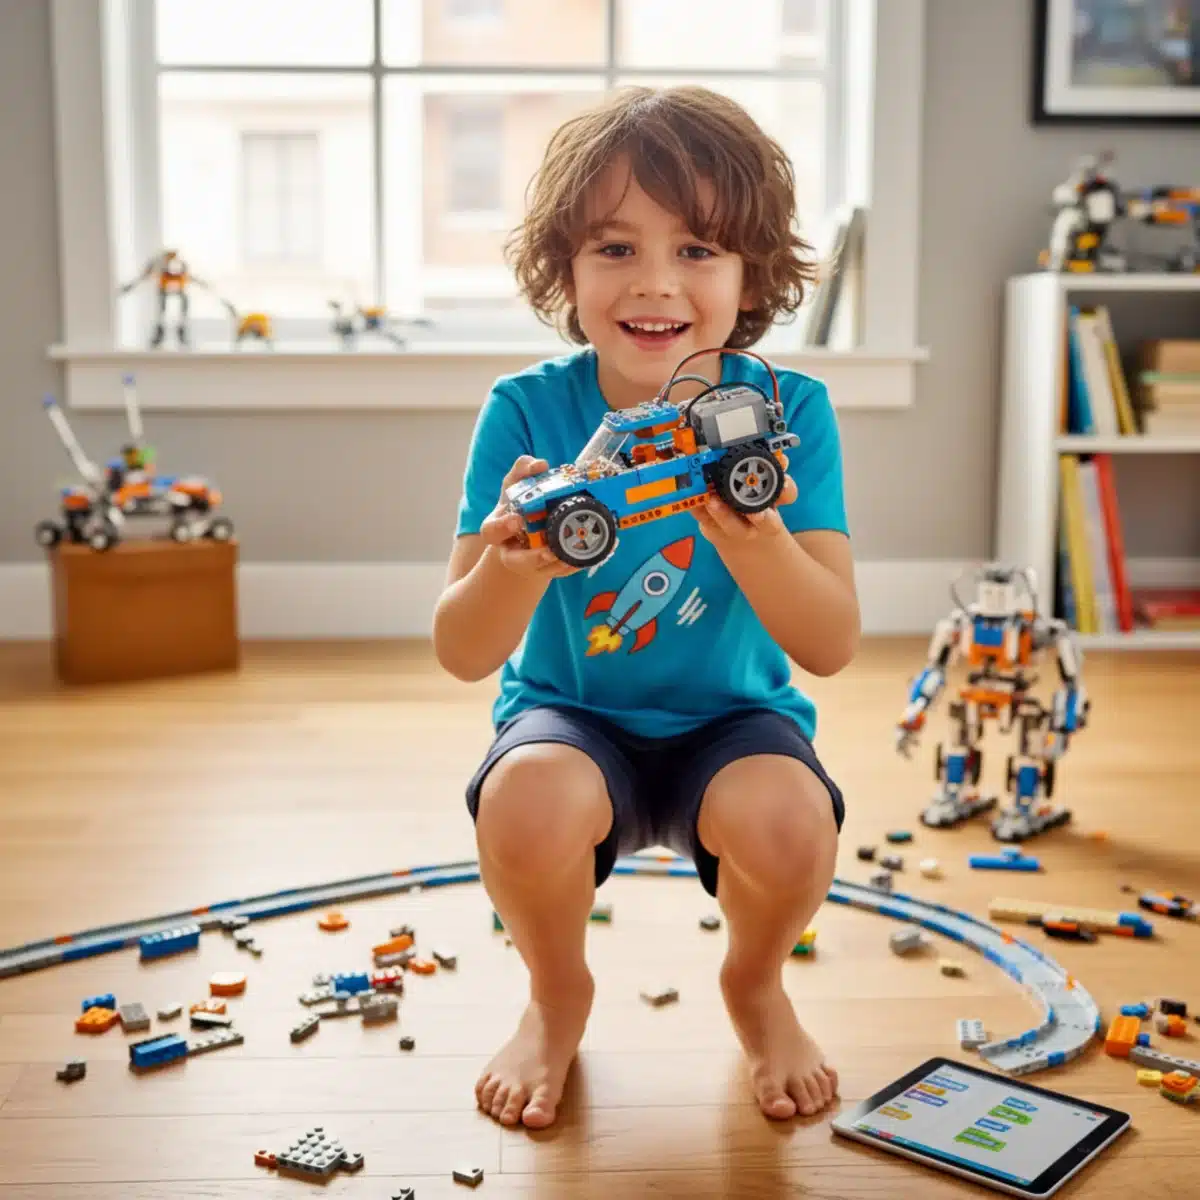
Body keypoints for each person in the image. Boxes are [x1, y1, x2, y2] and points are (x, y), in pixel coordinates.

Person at [432, 84, 859, 1131]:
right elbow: (459, 649)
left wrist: (755, 536)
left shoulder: (783, 410)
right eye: (615, 249)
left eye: (699, 249)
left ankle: (755, 984)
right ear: (564, 270)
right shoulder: (529, 409)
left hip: (733, 722)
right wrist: (518, 565)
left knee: (795, 823)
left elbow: (830, 642)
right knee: (524, 798)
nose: (656, 282)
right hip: (574, 721)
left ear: (753, 273)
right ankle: (556, 990)